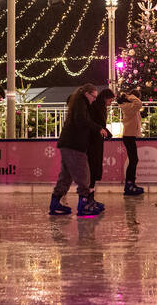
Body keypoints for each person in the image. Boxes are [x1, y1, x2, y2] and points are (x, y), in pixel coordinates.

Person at [49, 84, 108, 216]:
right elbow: (82, 120)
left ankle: (55, 203)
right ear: (87, 94)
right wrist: (98, 128)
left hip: (68, 143)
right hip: (74, 144)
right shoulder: (81, 103)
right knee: (83, 175)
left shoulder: (79, 102)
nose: (94, 99)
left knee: (66, 176)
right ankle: (84, 204)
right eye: (94, 96)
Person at [87, 88, 114, 204]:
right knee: (93, 167)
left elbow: (99, 124)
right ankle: (88, 198)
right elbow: (97, 123)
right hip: (93, 141)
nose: (111, 103)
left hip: (96, 140)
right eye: (110, 101)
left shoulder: (98, 107)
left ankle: (90, 197)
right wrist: (103, 130)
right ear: (105, 98)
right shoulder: (97, 107)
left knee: (94, 168)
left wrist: (106, 132)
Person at [119, 88, 145, 196]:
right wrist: (130, 96)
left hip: (130, 136)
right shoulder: (128, 106)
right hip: (128, 136)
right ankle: (129, 185)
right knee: (133, 160)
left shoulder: (129, 106)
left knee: (134, 160)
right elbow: (139, 103)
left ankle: (131, 183)